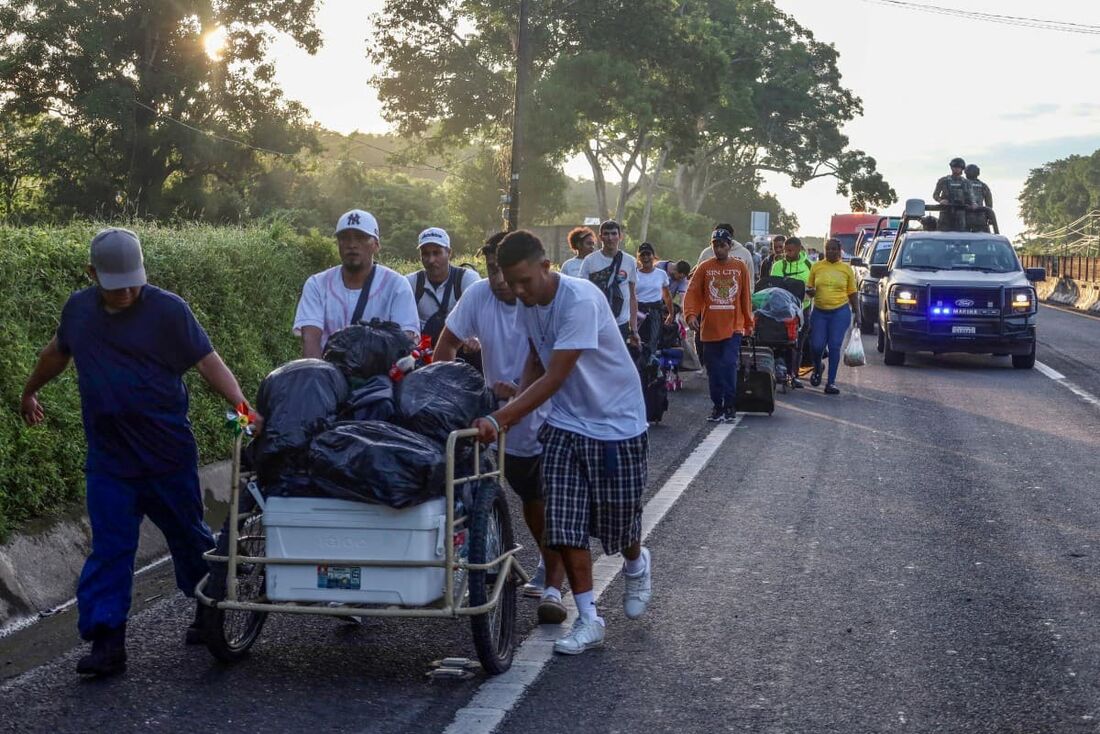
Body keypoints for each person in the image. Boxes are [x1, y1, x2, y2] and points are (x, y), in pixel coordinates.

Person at [19, 228, 257, 677]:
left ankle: (208, 609)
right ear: (92, 274)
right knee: (110, 548)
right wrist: (30, 391)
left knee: (188, 537)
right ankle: (107, 643)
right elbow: (56, 352)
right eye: (117, 285)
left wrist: (244, 411)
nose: (127, 292)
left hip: (167, 456)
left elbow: (208, 361)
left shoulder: (168, 310)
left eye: (134, 282)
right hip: (110, 461)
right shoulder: (78, 310)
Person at [471, 230, 651, 656]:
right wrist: (517, 400)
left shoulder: (579, 300)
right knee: (565, 522)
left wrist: (501, 418)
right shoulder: (528, 302)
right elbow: (537, 357)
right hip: (567, 424)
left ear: (546, 267)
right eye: (510, 282)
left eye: (524, 281)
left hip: (616, 423)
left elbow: (556, 375)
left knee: (617, 524)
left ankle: (636, 561)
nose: (517, 291)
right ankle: (589, 619)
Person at [434, 233, 565, 624]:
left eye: (505, 272)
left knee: (543, 501)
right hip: (497, 419)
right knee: (499, 497)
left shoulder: (540, 298)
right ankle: (494, 564)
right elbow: (445, 348)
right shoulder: (477, 296)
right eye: (492, 270)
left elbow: (545, 362)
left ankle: (554, 583)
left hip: (550, 413)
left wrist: (520, 396)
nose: (500, 280)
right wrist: (455, 397)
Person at [293, 209, 419, 355]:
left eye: (361, 237)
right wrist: (318, 369)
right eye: (344, 238)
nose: (352, 244)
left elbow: (404, 341)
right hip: (328, 366)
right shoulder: (317, 285)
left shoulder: (396, 286)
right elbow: (311, 340)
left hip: (380, 368)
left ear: (376, 245)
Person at [684, 228, 755, 422]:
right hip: (709, 328)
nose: (718, 249)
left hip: (734, 327)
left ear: (729, 246)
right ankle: (717, 406)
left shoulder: (739, 267)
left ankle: (730, 405)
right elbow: (692, 293)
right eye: (715, 245)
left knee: (729, 364)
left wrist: (748, 322)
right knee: (714, 369)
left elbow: (745, 297)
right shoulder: (705, 267)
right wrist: (690, 315)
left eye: (722, 245)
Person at [406, 227, 481, 344]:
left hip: (460, 346)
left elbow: (480, 318)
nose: (431, 260)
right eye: (425, 254)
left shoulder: (467, 279)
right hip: (421, 348)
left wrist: (475, 340)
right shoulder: (410, 283)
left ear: (449, 253)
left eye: (436, 253)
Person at [807, 238, 858, 395]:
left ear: (839, 251)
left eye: (834, 249)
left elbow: (852, 293)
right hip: (819, 312)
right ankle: (817, 368)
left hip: (840, 312)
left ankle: (831, 383)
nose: (831, 251)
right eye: (828, 249)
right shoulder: (816, 267)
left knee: (835, 346)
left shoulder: (846, 269)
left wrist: (858, 313)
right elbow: (810, 287)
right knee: (816, 346)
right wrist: (811, 292)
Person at [579, 219, 639, 348]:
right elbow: (582, 295)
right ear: (600, 237)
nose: (610, 238)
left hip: (621, 324)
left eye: (613, 233)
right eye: (606, 234)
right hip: (596, 323)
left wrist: (634, 329)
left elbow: (633, 296)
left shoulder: (630, 261)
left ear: (620, 236)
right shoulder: (590, 261)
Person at [769, 236, 812, 388]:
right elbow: (773, 286)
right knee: (781, 341)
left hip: (803, 308)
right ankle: (778, 370)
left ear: (799, 249)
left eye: (791, 251)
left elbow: (813, 285)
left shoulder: (809, 265)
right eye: (786, 250)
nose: (788, 253)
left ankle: (794, 375)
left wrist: (810, 291)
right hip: (782, 310)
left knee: (798, 343)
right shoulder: (778, 265)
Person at [635, 242, 676, 349]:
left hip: (655, 312)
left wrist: (671, 314)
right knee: (637, 342)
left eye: (648, 254)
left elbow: (667, 295)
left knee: (653, 341)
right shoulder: (634, 274)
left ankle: (651, 358)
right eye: (642, 255)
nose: (645, 257)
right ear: (639, 258)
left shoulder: (661, 274)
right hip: (638, 312)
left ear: (653, 256)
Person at [933, 158, 969, 232]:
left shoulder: (966, 182)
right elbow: (935, 195)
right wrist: (941, 200)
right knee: (943, 234)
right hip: (945, 212)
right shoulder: (943, 180)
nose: (956, 169)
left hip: (961, 213)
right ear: (951, 167)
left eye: (959, 167)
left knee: (961, 235)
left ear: (962, 169)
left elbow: (970, 197)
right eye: (954, 167)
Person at [964, 164, 994, 233]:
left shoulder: (962, 184)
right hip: (980, 218)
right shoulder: (983, 186)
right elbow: (989, 204)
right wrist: (989, 217)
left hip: (964, 218)